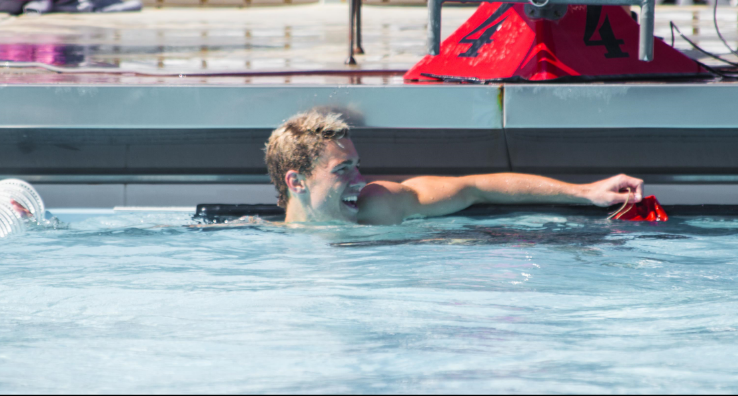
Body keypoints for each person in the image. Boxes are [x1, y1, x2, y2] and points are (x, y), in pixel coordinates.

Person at [265, 111, 644, 225]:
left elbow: (475, 187)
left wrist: (585, 192)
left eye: (357, 166)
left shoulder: (380, 204)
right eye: (343, 169)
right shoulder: (257, 242)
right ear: (297, 181)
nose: (360, 179)